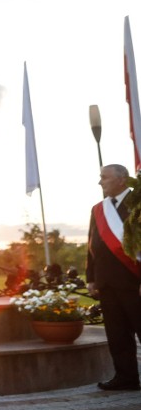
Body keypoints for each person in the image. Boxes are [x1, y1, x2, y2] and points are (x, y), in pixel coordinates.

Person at [86, 163, 141, 391]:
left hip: (134, 281)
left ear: (122, 179)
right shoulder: (98, 209)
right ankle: (126, 377)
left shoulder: (137, 203)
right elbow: (91, 246)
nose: (100, 182)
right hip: (107, 282)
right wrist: (91, 278)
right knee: (117, 335)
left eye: (105, 177)